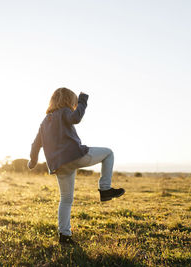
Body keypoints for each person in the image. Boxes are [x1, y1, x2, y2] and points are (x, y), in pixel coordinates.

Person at [28, 87, 125, 244]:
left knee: (66, 199)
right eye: (74, 102)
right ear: (68, 101)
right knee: (108, 153)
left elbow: (35, 145)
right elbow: (76, 117)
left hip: (58, 165)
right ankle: (105, 189)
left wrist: (32, 162)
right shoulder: (64, 112)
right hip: (74, 156)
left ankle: (64, 236)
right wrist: (83, 100)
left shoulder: (45, 122)